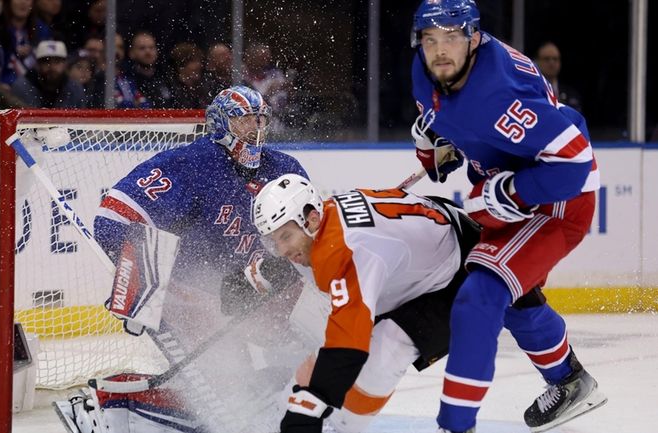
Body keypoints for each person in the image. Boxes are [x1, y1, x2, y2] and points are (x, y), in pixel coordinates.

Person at [57, 86, 311, 433]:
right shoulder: (191, 164)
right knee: (227, 405)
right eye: (244, 120)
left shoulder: (283, 167)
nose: (256, 128)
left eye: (260, 119)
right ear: (220, 124)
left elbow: (308, 229)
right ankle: (109, 411)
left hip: (257, 296)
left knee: (308, 365)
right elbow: (113, 218)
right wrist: (146, 282)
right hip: (196, 300)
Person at [409, 1, 607, 432]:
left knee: (480, 296)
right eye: (430, 40)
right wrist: (437, 142)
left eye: (452, 38)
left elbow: (574, 160)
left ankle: (455, 425)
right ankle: (569, 380)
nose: (440, 50)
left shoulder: (499, 94)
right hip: (508, 178)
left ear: (474, 38)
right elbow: (449, 146)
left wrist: (514, 191)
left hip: (557, 197)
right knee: (513, 292)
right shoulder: (426, 69)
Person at [252, 174, 480, 433]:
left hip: (457, 274)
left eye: (285, 237)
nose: (281, 251)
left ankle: (341, 428)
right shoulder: (322, 221)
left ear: (311, 220)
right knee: (328, 359)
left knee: (388, 349)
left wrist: (310, 406)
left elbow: (348, 344)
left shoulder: (343, 248)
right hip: (415, 262)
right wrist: (255, 275)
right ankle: (281, 415)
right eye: (273, 241)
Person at [11, 40, 86, 108]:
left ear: (65, 64)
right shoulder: (22, 86)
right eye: (46, 62)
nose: (52, 67)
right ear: (37, 64)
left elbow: (82, 120)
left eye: (57, 62)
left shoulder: (75, 89)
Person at [535, 41, 583, 114]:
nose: (551, 63)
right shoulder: (532, 90)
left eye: (555, 59)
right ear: (537, 62)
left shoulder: (572, 94)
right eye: (546, 59)